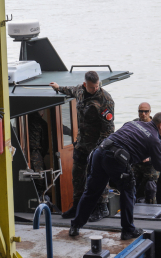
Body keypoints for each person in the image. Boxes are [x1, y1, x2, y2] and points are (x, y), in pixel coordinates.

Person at [69, 112, 161, 239]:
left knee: (91, 192)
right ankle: (128, 230)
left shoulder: (133, 123)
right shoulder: (154, 139)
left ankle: (75, 226)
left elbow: (126, 139)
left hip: (99, 152)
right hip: (115, 159)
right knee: (128, 191)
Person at [49, 71, 115, 222]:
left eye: (97, 86)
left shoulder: (105, 100)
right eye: (92, 87)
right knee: (77, 175)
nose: (95, 89)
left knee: (98, 175)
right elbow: (71, 90)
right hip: (81, 143)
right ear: (85, 85)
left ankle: (101, 207)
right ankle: (77, 206)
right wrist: (59, 88)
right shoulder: (80, 90)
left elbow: (109, 129)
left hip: (98, 144)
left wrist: (100, 149)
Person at [132, 103, 161, 204]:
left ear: (150, 112)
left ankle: (151, 208)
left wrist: (151, 158)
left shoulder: (157, 127)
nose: (143, 114)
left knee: (150, 187)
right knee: (129, 183)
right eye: (141, 111)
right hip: (136, 162)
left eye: (146, 111)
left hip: (151, 164)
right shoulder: (134, 124)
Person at [28, 110, 49, 195]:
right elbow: (45, 143)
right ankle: (40, 198)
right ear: (42, 114)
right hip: (35, 153)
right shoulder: (41, 123)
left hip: (25, 152)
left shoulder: (26, 118)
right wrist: (42, 154)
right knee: (40, 178)